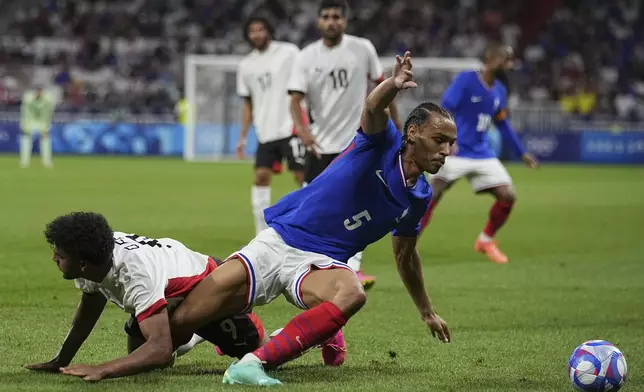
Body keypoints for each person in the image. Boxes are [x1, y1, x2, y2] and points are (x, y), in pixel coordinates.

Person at [169, 52, 454, 386]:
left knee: (352, 293)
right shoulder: (382, 144)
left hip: (321, 263)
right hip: (280, 241)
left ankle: (251, 363)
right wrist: (392, 85)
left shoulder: (419, 197)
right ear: (413, 133)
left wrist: (426, 311)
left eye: (450, 143)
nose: (446, 151)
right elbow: (374, 108)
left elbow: (405, 256)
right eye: (439, 140)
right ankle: (295, 331)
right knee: (181, 323)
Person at [25, 212, 268, 382]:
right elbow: (87, 314)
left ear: (82, 263)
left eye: (60, 255)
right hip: (170, 291)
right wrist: (61, 360)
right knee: (147, 363)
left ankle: (203, 330)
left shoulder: (134, 274)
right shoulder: (93, 256)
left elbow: (160, 349)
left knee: (264, 355)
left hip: (212, 283)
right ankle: (190, 334)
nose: (54, 259)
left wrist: (103, 369)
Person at [288, 0, 402, 289]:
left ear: (345, 21)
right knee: (311, 203)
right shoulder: (306, 56)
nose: (331, 21)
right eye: (326, 17)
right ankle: (300, 261)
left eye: (336, 16)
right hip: (320, 144)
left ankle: (351, 269)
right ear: (318, 22)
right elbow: (294, 100)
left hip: (357, 142)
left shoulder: (362, 48)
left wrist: (397, 130)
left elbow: (384, 89)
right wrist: (302, 131)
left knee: (358, 204)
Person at [419, 43, 539, 264]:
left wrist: (521, 153)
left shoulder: (500, 91)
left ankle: (485, 240)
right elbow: (444, 109)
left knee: (507, 196)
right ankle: (409, 241)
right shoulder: (466, 80)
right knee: (431, 195)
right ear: (491, 59)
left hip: (482, 154)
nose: (509, 64)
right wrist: (447, 139)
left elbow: (502, 124)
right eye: (507, 59)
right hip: (456, 151)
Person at [235, 15, 306, 236]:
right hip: (265, 131)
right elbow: (248, 103)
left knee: (303, 176)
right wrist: (243, 136)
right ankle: (261, 233)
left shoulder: (289, 52)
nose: (257, 34)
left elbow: (304, 83)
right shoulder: (246, 65)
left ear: (269, 31)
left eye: (261, 29)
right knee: (260, 177)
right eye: (252, 31)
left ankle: (313, 226)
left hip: (290, 127)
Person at [19, 84, 55, 168]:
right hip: (29, 121)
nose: (38, 93)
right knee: (26, 140)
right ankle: (24, 161)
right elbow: (25, 106)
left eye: (40, 91)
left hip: (42, 122)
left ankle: (47, 161)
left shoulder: (47, 98)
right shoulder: (28, 96)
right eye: (37, 91)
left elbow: (49, 110)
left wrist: (46, 125)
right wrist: (24, 124)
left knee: (45, 140)